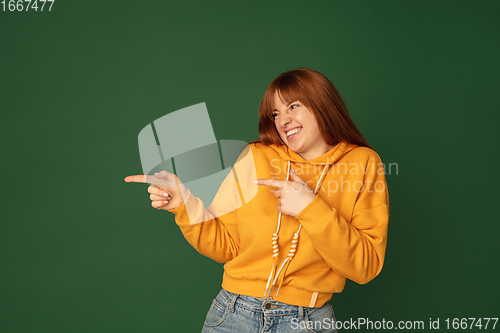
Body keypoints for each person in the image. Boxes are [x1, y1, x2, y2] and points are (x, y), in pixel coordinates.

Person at [125, 68, 389, 332]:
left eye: (293, 106)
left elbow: (365, 267)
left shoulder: (363, 163)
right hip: (232, 314)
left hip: (307, 321)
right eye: (275, 114)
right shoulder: (255, 156)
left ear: (322, 104)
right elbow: (225, 246)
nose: (283, 120)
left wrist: (309, 207)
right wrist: (184, 204)